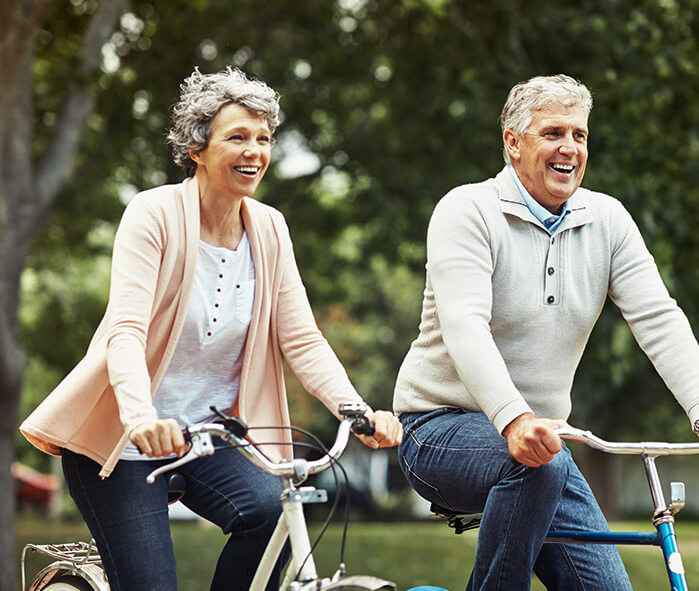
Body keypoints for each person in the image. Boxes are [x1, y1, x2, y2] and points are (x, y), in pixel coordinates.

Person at [20, 66, 402, 591]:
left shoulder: (269, 228)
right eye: (237, 137)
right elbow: (125, 332)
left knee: (274, 515)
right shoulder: (153, 214)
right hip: (126, 443)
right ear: (197, 148)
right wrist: (141, 419)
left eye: (264, 139)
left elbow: (302, 338)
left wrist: (356, 412)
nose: (255, 152)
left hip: (211, 437)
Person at [393, 74, 699, 590]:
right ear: (513, 142)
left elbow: (658, 318)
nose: (570, 148)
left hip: (544, 446)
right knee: (538, 465)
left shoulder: (608, 221)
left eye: (579, 135)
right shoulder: (467, 210)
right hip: (437, 430)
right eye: (553, 133)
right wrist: (514, 421)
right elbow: (466, 327)